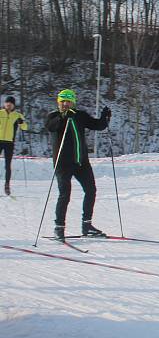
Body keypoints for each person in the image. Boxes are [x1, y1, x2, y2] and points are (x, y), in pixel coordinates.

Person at [45, 89, 111, 241]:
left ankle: (87, 225)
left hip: (81, 162)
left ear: (73, 102)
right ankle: (59, 227)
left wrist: (105, 118)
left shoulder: (79, 115)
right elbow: (50, 126)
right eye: (62, 101)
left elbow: (97, 125)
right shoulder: (53, 116)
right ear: (58, 102)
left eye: (68, 101)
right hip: (62, 164)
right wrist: (62, 118)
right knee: (65, 194)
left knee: (91, 190)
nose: (65, 104)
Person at [0, 96, 28, 195]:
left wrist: (21, 122)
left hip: (9, 143)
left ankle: (7, 185)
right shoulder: (0, 113)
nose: (8, 105)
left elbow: (25, 128)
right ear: (4, 104)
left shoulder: (17, 115)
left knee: (8, 165)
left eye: (11, 103)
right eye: (7, 103)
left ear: (13, 105)